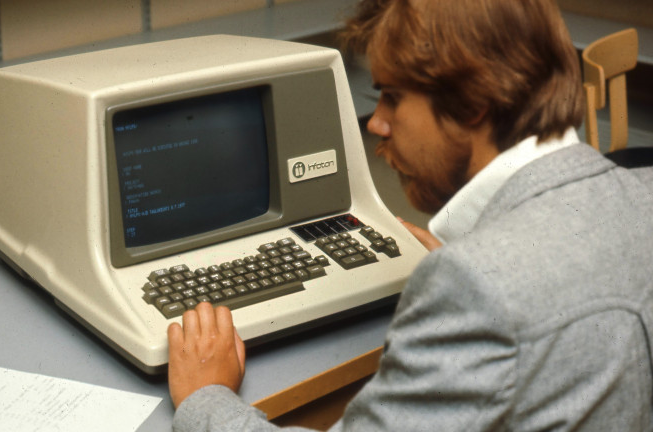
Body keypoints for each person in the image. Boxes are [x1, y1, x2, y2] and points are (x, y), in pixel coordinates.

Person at [167, 0, 653, 430]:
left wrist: (206, 399)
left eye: (394, 97)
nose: (376, 123)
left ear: (473, 103)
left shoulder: (477, 288)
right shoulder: (642, 192)